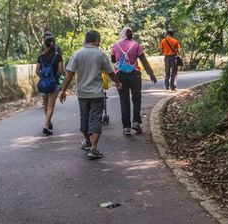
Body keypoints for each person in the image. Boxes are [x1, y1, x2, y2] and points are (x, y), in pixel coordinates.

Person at [59, 30, 121, 160]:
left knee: (85, 119)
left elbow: (69, 73)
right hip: (97, 94)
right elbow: (110, 72)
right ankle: (93, 148)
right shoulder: (101, 55)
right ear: (97, 40)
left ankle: (87, 142)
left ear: (86, 40)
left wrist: (63, 90)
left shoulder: (77, 54)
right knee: (96, 119)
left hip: (82, 94)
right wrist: (118, 82)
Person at [111, 27, 157, 136]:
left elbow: (113, 60)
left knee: (124, 100)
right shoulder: (136, 45)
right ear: (132, 35)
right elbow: (143, 60)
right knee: (136, 99)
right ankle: (136, 123)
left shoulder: (116, 45)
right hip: (134, 74)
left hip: (120, 75)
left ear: (122, 34)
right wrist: (151, 74)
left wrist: (121, 57)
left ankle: (126, 127)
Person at [36, 36, 63, 136]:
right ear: (54, 44)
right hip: (54, 83)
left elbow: (37, 71)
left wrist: (44, 77)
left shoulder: (40, 56)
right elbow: (60, 71)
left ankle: (48, 122)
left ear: (45, 45)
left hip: (43, 84)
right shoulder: (58, 56)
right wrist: (54, 77)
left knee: (46, 105)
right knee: (51, 106)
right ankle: (46, 126)